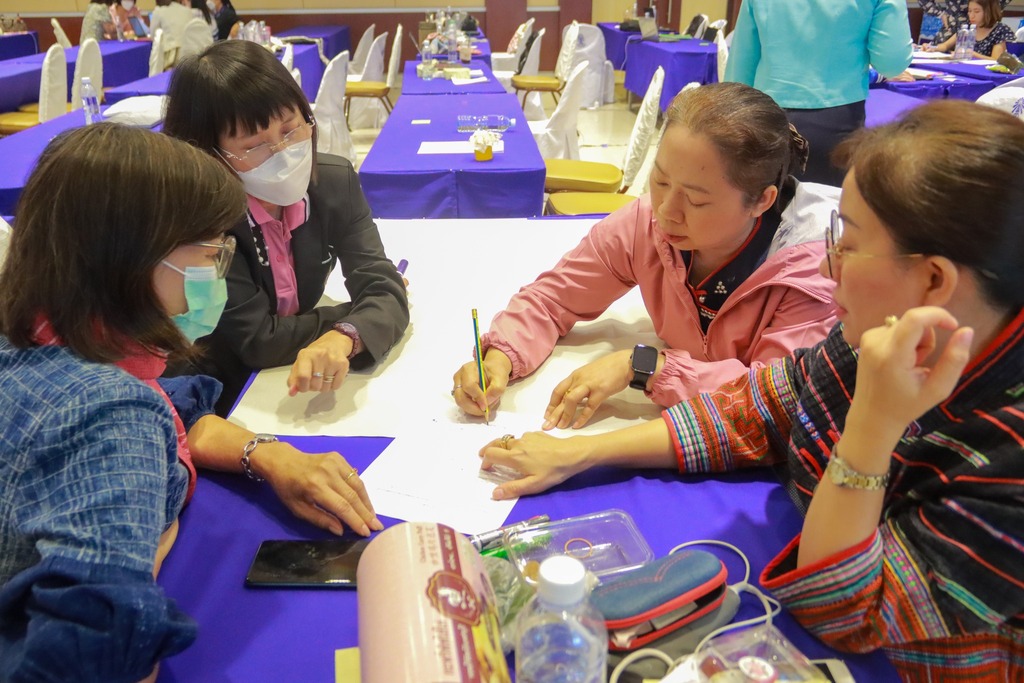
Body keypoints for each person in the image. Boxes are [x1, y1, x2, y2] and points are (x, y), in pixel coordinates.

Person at [478, 100, 1024, 681]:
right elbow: (758, 405)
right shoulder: (884, 336)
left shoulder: (1005, 459)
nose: (830, 265)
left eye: (849, 242)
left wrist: (870, 428)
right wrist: (580, 453)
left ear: (934, 280)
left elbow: (844, 611)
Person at [453, 82, 838, 431]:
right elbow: (553, 298)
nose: (667, 210)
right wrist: (500, 357)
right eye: (660, 180)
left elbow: (777, 398)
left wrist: (645, 367)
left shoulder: (815, 267)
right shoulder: (646, 223)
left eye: (696, 200)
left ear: (761, 201)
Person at [0, 124, 237, 681]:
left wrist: (255, 450)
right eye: (211, 252)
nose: (215, 272)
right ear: (133, 259)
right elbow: (98, 656)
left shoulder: (35, 336)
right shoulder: (113, 414)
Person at [163, 40, 409, 415]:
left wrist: (345, 336)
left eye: (291, 129)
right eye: (255, 146)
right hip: (213, 391)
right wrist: (354, 315)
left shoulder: (333, 182)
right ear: (209, 152)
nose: (282, 152)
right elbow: (258, 340)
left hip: (287, 380)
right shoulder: (203, 221)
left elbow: (380, 282)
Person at [725, 0, 913, 187]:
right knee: (825, 202)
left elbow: (741, 63)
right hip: (836, 118)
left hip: (765, 114)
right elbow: (891, 62)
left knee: (764, 200)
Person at [926, 0, 1015, 59]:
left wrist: (973, 55)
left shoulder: (1000, 30)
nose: (971, 15)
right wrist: (932, 48)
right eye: (969, 11)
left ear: (989, 11)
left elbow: (995, 60)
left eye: (976, 11)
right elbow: (945, 46)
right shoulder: (967, 27)